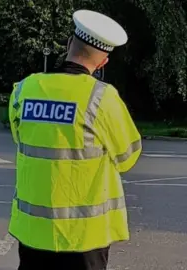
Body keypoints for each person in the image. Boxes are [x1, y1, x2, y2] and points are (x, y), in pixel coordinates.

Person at [8, 9, 142, 270]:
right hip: (84, 238)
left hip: (33, 234)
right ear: (103, 63)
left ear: (69, 43)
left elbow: (19, 137)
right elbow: (128, 157)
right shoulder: (102, 98)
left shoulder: (24, 89)